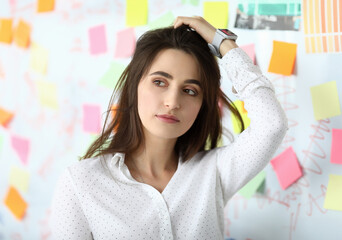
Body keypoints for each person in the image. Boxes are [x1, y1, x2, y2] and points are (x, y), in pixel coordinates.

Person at [50, 16, 288, 239]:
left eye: (189, 90)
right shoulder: (81, 182)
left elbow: (272, 124)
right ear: (134, 86)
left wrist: (222, 41)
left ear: (201, 105)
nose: (173, 102)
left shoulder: (213, 173)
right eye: (159, 82)